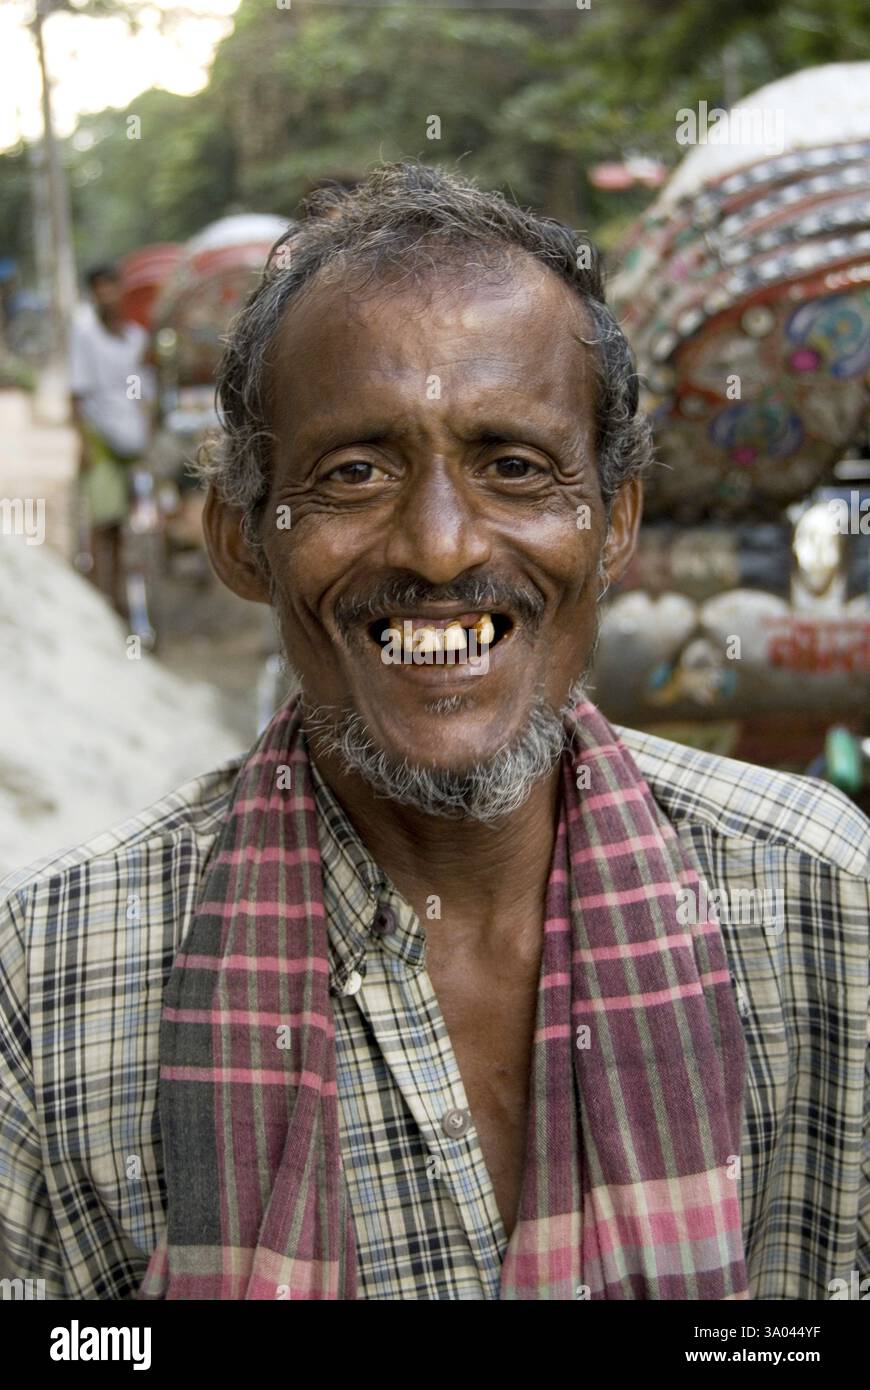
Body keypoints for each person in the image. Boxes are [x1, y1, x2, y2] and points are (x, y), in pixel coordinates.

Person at [1, 163, 867, 1301]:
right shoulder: (57, 983)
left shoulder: (822, 910)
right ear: (241, 540)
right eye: (354, 472)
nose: (444, 547)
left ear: (612, 525)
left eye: (513, 466)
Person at [69, 262, 153, 615]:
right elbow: (76, 393)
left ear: (121, 289)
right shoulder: (85, 335)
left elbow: (145, 393)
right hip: (102, 439)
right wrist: (84, 445)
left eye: (109, 287)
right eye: (97, 289)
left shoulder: (136, 338)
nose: (104, 295)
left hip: (132, 442)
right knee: (103, 524)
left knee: (127, 527)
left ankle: (120, 603)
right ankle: (101, 603)